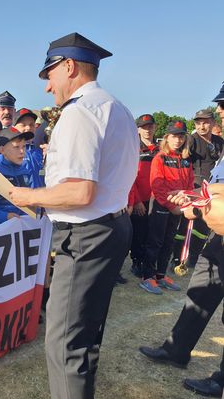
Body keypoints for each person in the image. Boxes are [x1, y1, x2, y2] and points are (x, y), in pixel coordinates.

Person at [8, 32, 139, 399]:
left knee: (65, 344)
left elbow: (79, 192)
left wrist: (27, 195)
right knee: (84, 337)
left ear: (68, 66)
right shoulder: (118, 108)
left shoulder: (80, 113)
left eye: (49, 75)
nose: (49, 88)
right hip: (110, 227)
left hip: (85, 236)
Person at [139, 100, 224, 397]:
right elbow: (214, 187)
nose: (220, 113)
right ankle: (176, 351)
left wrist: (196, 207)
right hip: (218, 240)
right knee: (199, 292)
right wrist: (192, 197)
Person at [138, 121, 193, 294]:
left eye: (181, 136)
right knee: (155, 242)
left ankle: (160, 276)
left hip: (178, 208)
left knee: (169, 241)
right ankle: (147, 277)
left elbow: (190, 185)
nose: (178, 140)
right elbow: (158, 186)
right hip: (161, 205)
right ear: (167, 137)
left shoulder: (185, 161)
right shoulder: (159, 158)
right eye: (174, 136)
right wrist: (172, 206)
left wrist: (184, 202)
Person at [171, 108, 224, 268]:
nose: (202, 126)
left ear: (213, 123)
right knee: (184, 225)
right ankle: (177, 257)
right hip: (193, 188)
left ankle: (194, 256)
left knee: (202, 227)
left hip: (213, 190)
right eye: (198, 123)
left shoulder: (219, 142)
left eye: (206, 122)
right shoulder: (191, 140)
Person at [0, 128, 39, 226]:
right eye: (16, 147)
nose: (22, 151)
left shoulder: (27, 172)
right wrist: (4, 216)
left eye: (24, 146)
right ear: (2, 150)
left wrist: (41, 211)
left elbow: (33, 199)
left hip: (25, 229)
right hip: (2, 231)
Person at [128, 114, 159, 277]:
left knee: (152, 234)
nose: (147, 130)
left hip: (156, 199)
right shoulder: (133, 148)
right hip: (139, 199)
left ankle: (149, 263)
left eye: (150, 126)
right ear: (138, 129)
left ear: (155, 128)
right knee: (138, 234)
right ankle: (136, 262)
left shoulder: (160, 149)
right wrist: (137, 201)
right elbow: (129, 177)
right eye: (144, 127)